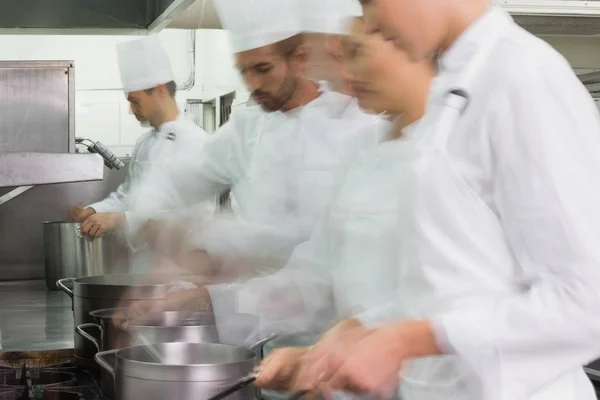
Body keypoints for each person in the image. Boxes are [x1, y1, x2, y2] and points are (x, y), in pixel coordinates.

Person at [258, 1, 600, 400]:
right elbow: (462, 279)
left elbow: (585, 302)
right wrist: (354, 342)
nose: (370, 23)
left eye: (369, 2)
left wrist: (407, 340)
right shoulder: (451, 92)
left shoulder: (522, 77)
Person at [121, 0, 385, 280]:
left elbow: (312, 237)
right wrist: (146, 218)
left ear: (299, 58)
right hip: (253, 308)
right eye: (243, 71)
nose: (252, 84)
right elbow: (176, 180)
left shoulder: (358, 125)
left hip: (337, 310)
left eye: (263, 68)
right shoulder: (245, 129)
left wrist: (206, 235)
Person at [67, 35, 210, 272]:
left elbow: (192, 215)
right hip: (142, 268)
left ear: (160, 91)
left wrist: (121, 219)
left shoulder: (197, 143)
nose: (131, 110)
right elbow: (126, 196)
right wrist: (92, 211)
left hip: (179, 270)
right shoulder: (144, 142)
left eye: (135, 101)